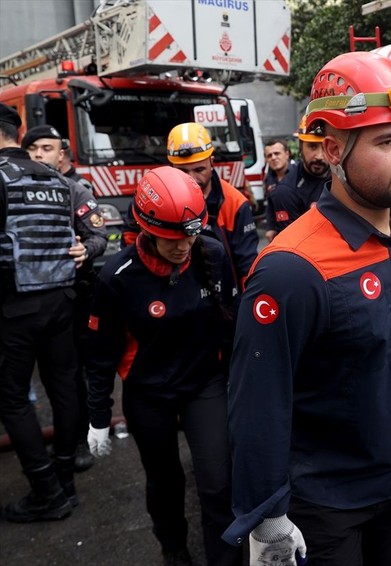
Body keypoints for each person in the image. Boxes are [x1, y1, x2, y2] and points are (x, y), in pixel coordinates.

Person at [223, 51, 391, 566]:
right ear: (334, 151)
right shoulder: (291, 268)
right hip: (324, 504)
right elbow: (258, 403)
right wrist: (268, 517)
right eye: (387, 141)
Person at [85, 166, 240, 566]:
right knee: (165, 482)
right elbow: (101, 352)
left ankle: (224, 558)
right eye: (173, 238)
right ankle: (174, 550)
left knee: (217, 482)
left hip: (203, 383)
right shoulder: (117, 278)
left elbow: (232, 324)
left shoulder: (212, 253)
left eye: (191, 234)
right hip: (148, 393)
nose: (184, 245)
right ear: (147, 229)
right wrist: (99, 415)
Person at [0, 106, 96, 522]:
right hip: (61, 303)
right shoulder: (58, 181)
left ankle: (47, 491)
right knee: (64, 389)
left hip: (13, 307)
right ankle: (66, 481)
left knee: (12, 399)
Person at [22, 124, 108, 474]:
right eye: (34, 149)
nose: (40, 154)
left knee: (70, 376)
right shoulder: (12, 192)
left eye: (47, 148)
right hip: (20, 303)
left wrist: (83, 250)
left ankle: (75, 443)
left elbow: (99, 235)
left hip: (70, 298)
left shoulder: (73, 191)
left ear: (61, 155)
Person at [122, 122, 258, 288]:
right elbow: (131, 245)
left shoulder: (235, 203)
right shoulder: (150, 198)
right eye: (183, 171)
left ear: (212, 162)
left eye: (199, 169)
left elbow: (247, 265)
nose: (192, 178)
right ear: (171, 166)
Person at [264, 116, 330, 241]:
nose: (319, 156)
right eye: (312, 146)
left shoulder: (343, 179)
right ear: (301, 147)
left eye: (325, 146)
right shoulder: (286, 191)